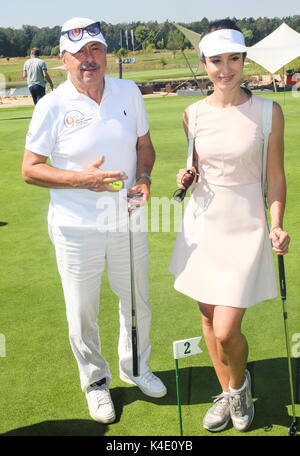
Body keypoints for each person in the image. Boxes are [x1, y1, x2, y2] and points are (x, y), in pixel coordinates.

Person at [22, 17, 166, 424]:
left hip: (127, 217)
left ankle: (135, 366)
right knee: (83, 310)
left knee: (136, 301)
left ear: (105, 54)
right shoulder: (51, 105)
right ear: (63, 60)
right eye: (80, 53)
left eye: (96, 50)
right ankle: (96, 382)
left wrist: (143, 177)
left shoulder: (128, 91)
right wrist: (81, 179)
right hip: (75, 226)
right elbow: (31, 169)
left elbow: (144, 145)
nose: (90, 59)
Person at [169, 19, 290, 433]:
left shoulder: (269, 112)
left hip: (246, 225)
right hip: (202, 224)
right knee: (206, 317)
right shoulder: (191, 114)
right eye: (216, 61)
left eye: (234, 59)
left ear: (244, 60)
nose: (226, 69)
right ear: (204, 64)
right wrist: (185, 176)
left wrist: (276, 223)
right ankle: (227, 390)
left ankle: (238, 386)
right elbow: (197, 166)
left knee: (225, 328)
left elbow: (275, 176)